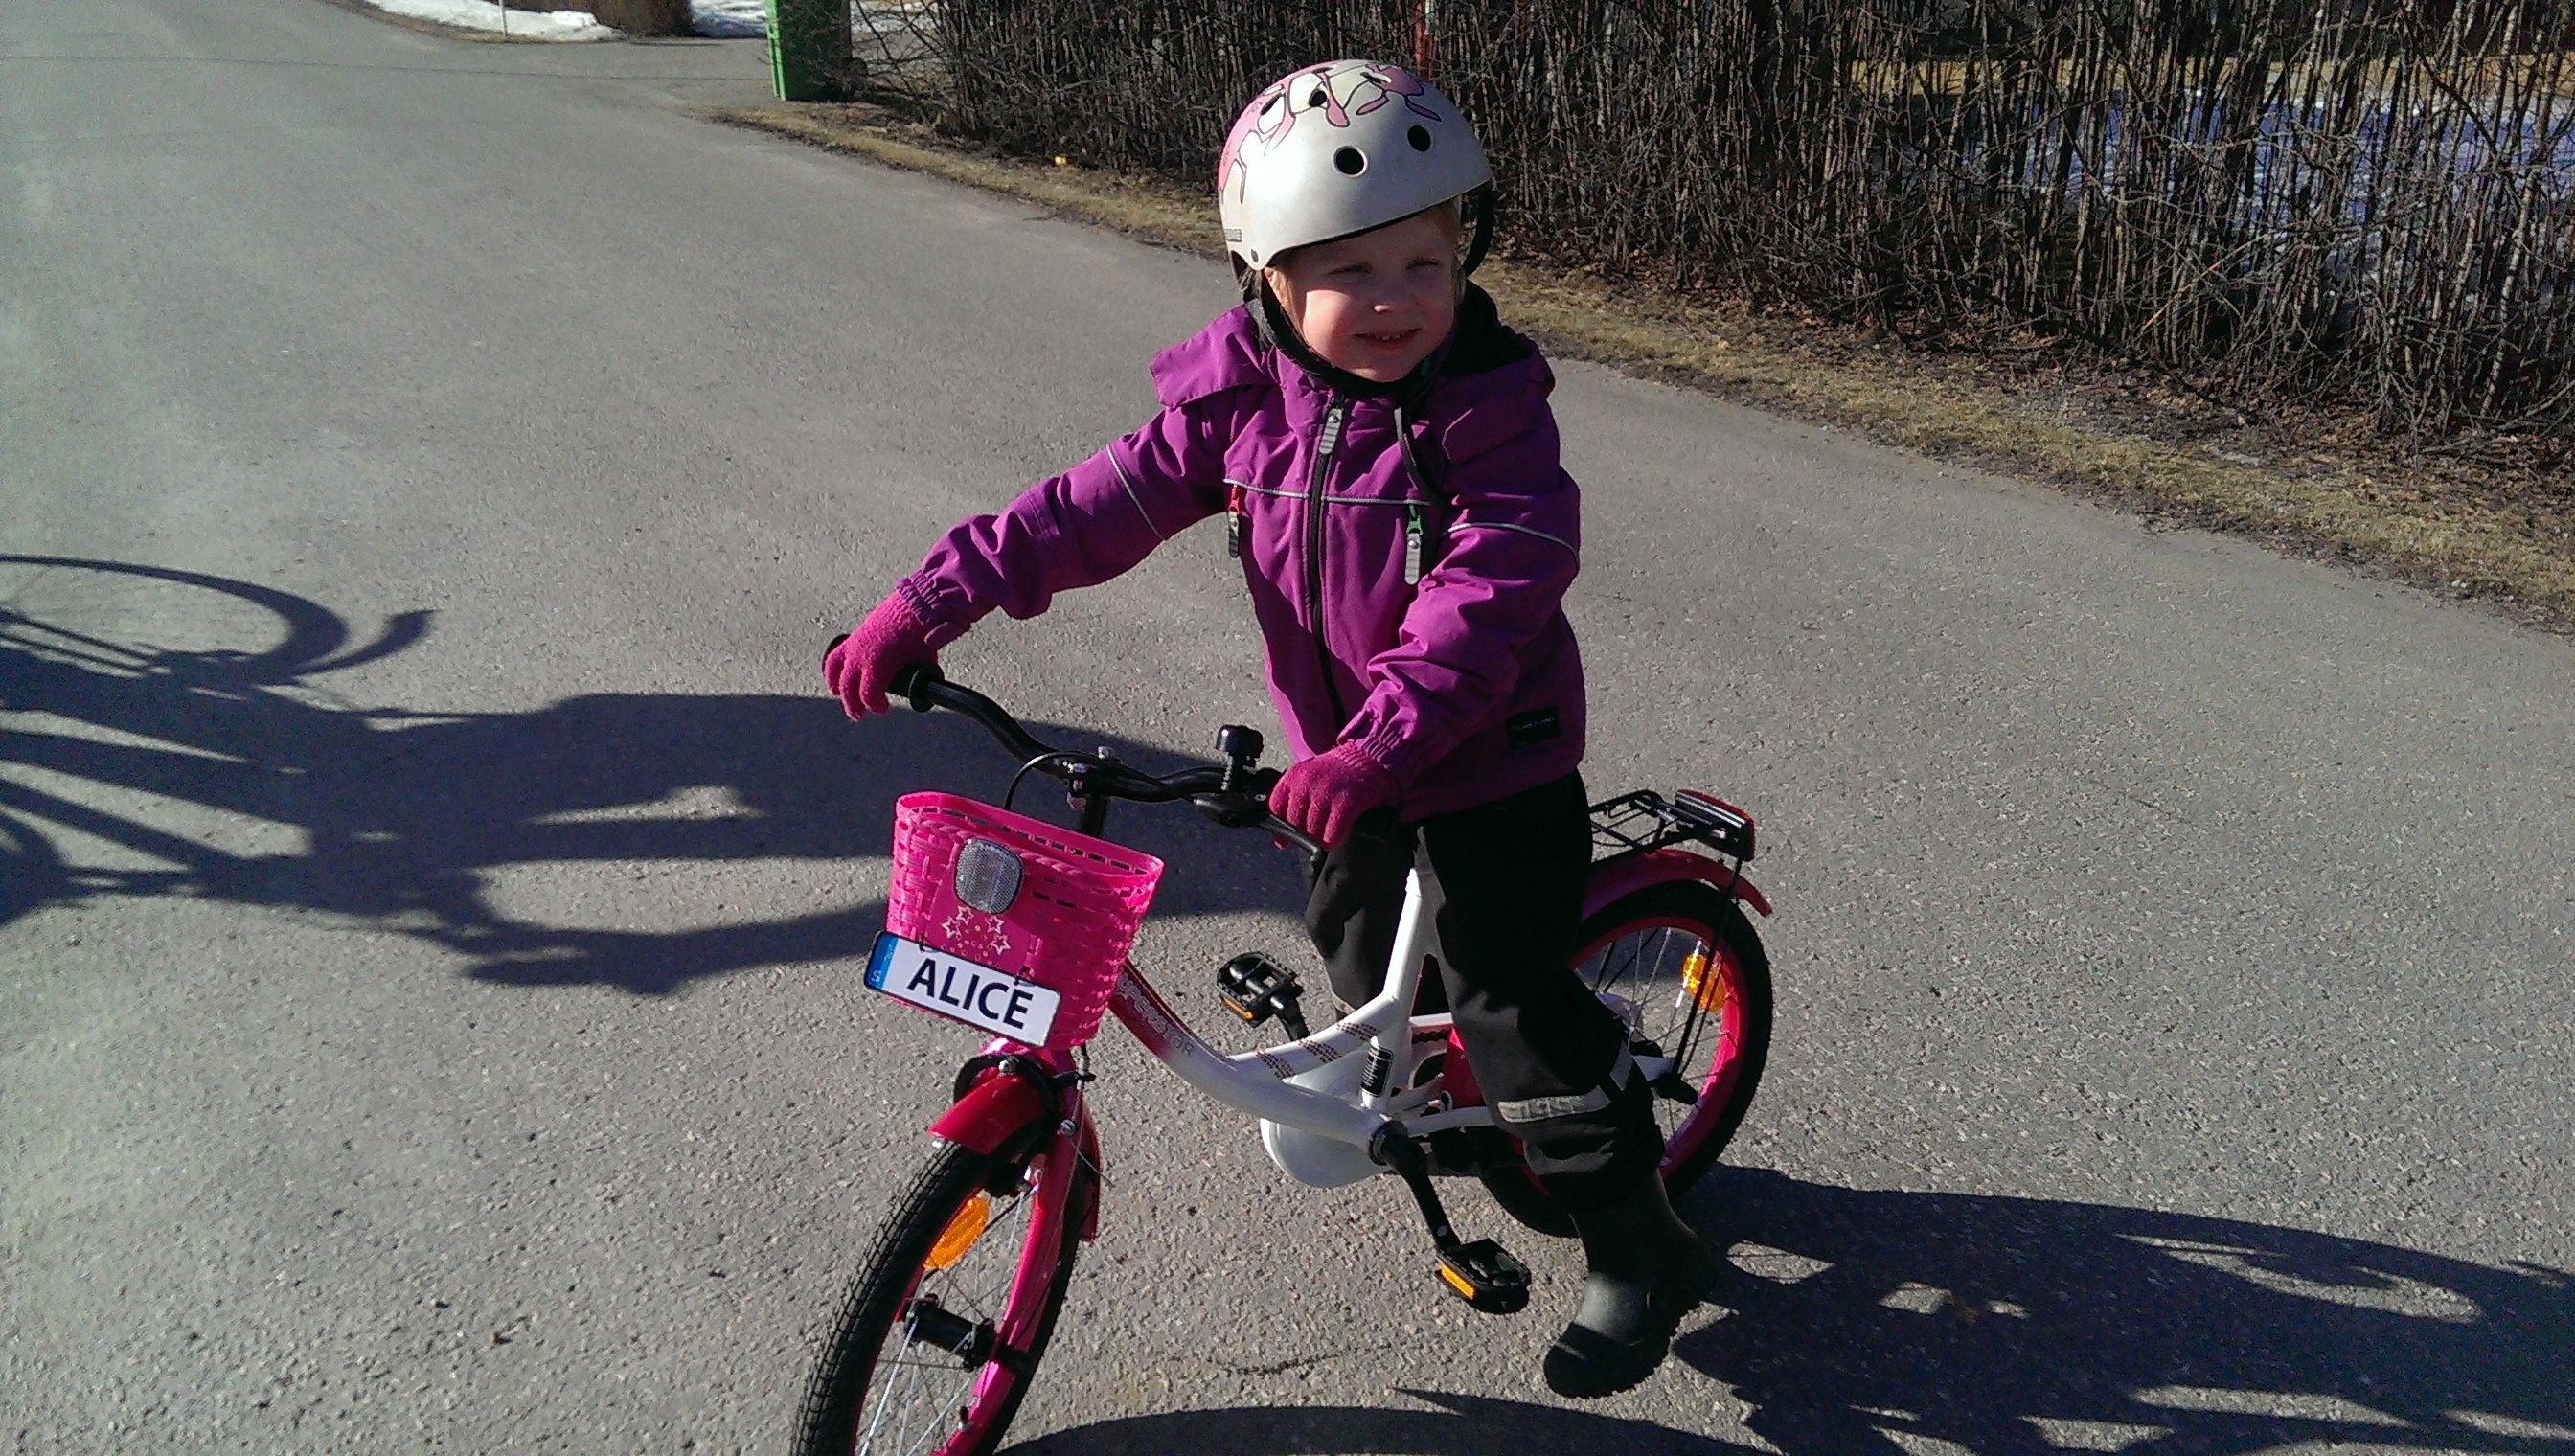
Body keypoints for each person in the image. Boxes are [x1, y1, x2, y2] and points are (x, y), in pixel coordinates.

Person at [824, 59, 1717, 1397]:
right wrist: (932, 601)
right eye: (1351, 270)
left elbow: (1489, 596)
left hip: (1486, 758)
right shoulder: (1245, 401)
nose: (1398, 298)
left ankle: (1640, 1240)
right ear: (1269, 280)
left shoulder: (1488, 417)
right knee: (1358, 955)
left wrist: (1381, 744)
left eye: (1426, 262)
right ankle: (1445, 1095)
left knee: (1509, 1004)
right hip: (1349, 766)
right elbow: (1087, 508)